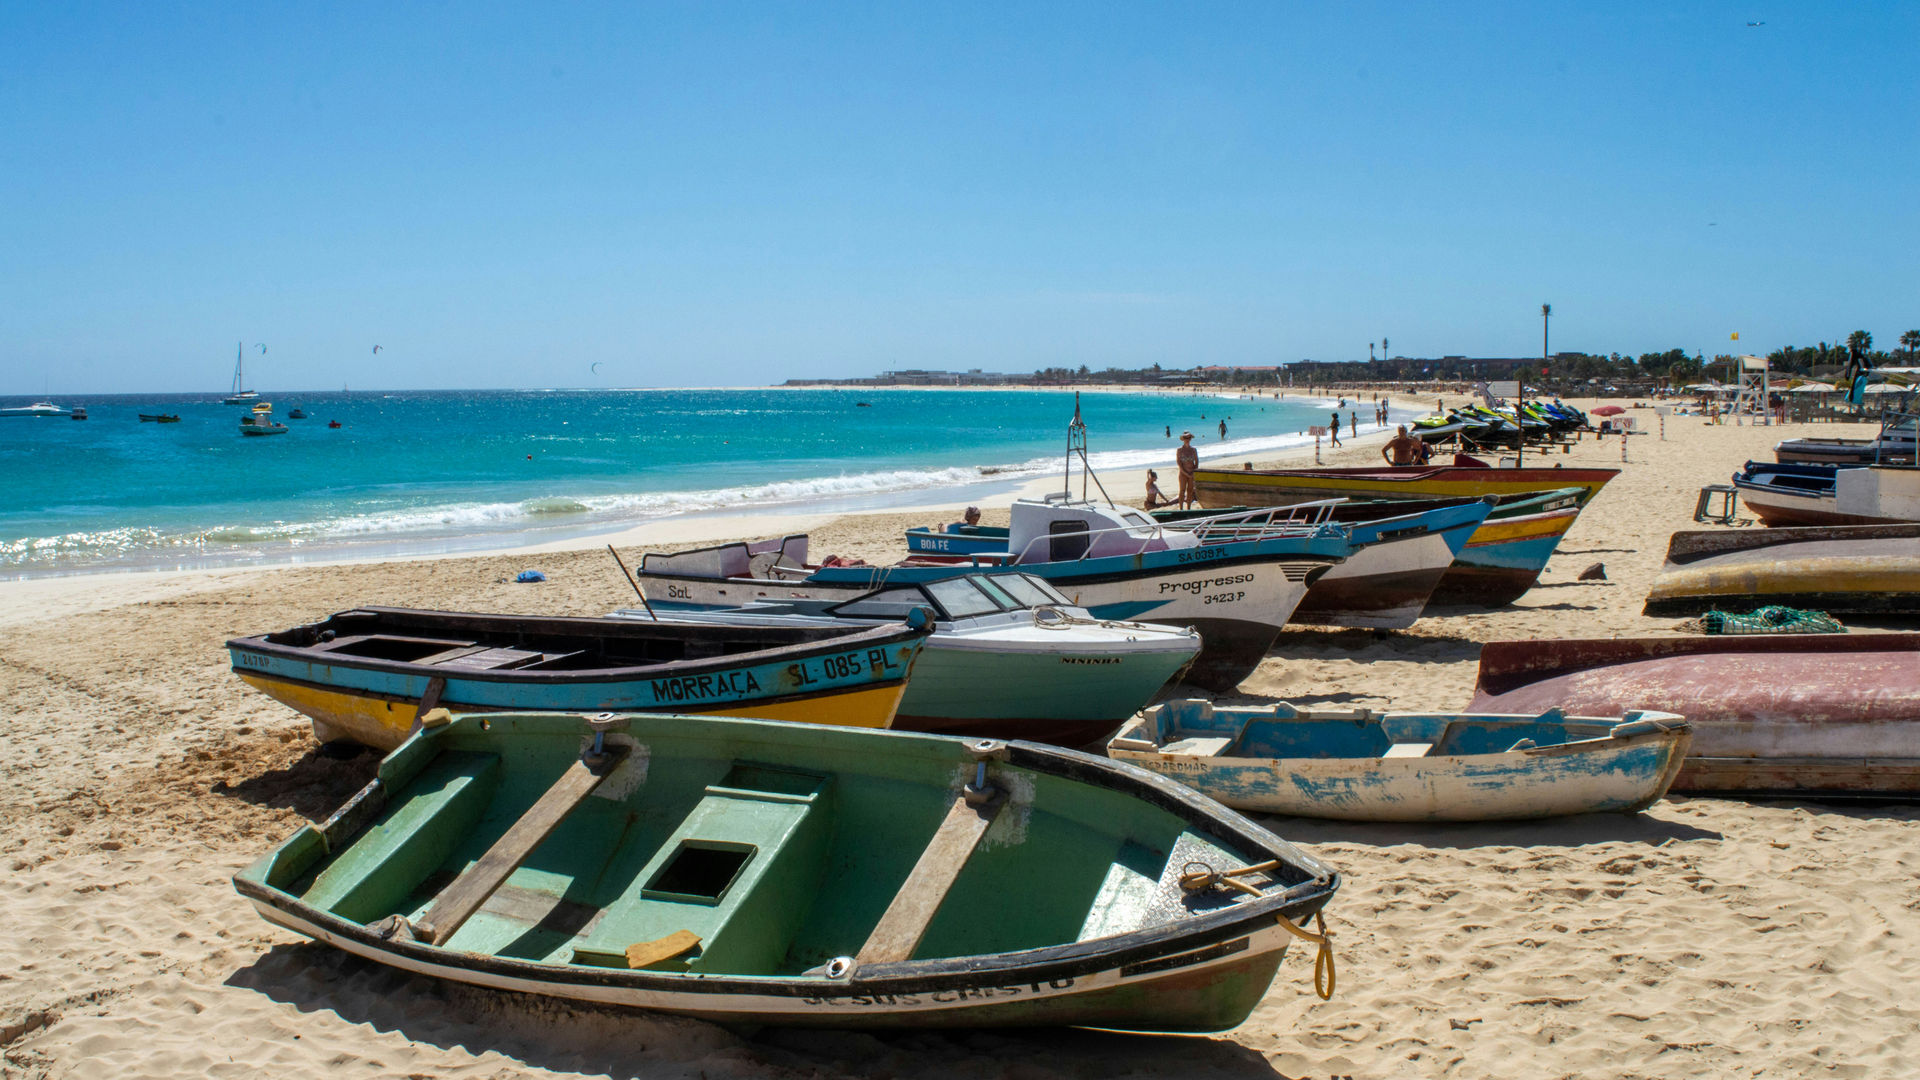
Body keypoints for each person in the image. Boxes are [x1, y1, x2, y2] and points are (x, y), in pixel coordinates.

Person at [1175, 432, 1199, 508]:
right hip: (1183, 473)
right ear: (1183, 439)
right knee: (1182, 491)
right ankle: (1181, 508)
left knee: (1190, 491)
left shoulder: (1193, 450)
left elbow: (1196, 462)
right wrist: (1185, 473)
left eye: (1188, 438)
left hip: (1191, 473)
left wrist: (1193, 472)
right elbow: (1179, 463)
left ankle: (1188, 507)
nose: (1187, 439)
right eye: (1186, 438)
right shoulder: (1179, 450)